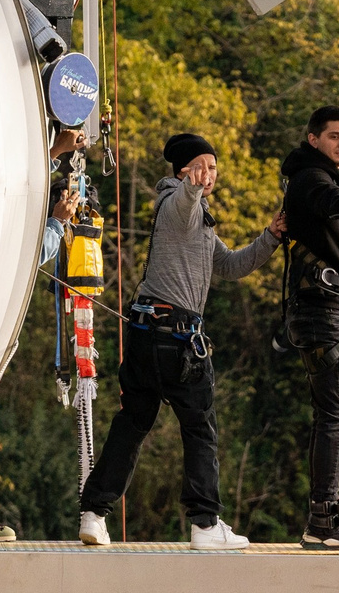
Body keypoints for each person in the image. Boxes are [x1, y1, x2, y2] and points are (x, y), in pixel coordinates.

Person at [74, 132, 284, 551]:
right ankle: (205, 524)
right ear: (184, 171)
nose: (210, 175)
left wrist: (272, 236)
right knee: (200, 428)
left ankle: (94, 514)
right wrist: (192, 184)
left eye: (213, 168)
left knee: (132, 423)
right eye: (202, 166)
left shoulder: (199, 222)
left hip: (145, 335)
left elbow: (229, 265)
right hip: (177, 340)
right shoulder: (177, 204)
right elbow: (185, 203)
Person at [279, 106, 339, 549]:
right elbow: (325, 199)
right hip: (322, 313)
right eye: (334, 136)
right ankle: (323, 518)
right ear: (313, 138)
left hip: (322, 311)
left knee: (331, 415)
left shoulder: (315, 176)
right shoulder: (311, 179)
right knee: (337, 414)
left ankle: (324, 514)